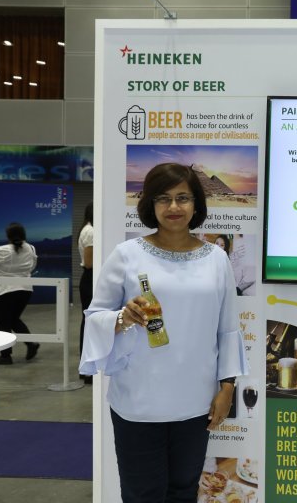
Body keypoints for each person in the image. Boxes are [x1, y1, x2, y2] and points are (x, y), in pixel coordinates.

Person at [79, 163, 249, 502]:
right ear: (150, 205)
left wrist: (228, 387)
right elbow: (96, 316)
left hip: (196, 401)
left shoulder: (217, 259)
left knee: (184, 491)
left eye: (183, 198)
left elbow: (228, 328)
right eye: (163, 198)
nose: (174, 207)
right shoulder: (127, 255)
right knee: (143, 494)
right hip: (138, 400)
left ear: (196, 204)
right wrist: (122, 318)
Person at [0, 222, 39, 364]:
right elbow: (32, 267)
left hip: (5, 290)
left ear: (8, 236)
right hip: (25, 290)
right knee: (13, 319)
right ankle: (30, 344)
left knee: (3, 323)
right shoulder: (31, 248)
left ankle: (6, 356)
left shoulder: (3, 250)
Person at [78, 202, 94, 384]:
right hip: (91, 278)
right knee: (90, 322)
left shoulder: (88, 229)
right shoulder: (90, 231)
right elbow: (89, 262)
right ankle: (87, 369)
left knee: (89, 322)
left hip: (90, 279)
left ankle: (87, 368)